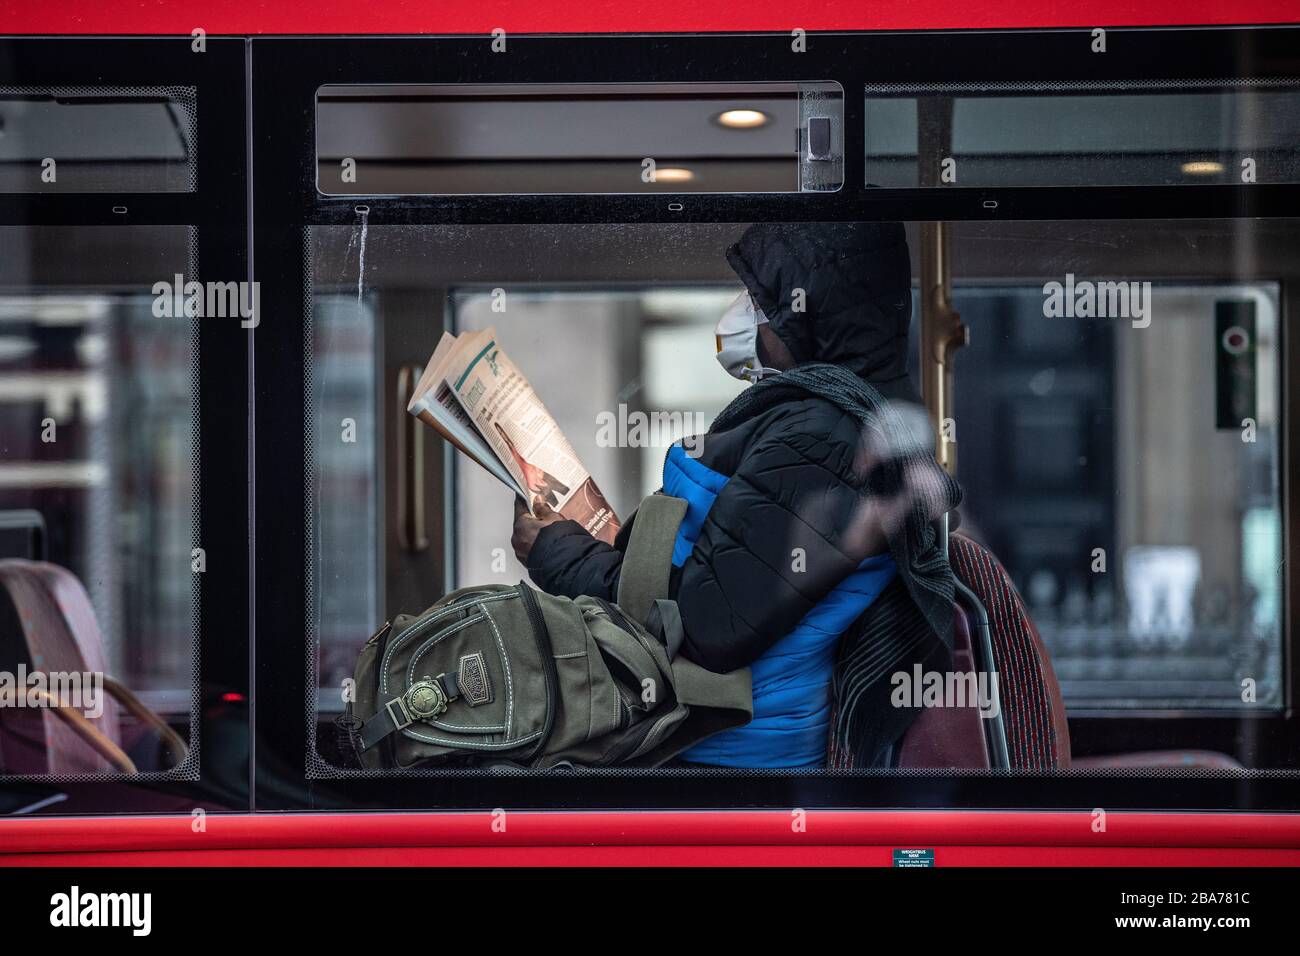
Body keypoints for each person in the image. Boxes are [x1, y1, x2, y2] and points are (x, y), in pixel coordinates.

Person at [512, 221, 961, 768]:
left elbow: (705, 626)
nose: (741, 316)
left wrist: (556, 552)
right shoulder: (838, 421)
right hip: (716, 732)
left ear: (808, 319)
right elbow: (732, 575)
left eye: (759, 301)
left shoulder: (823, 439)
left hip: (722, 750)